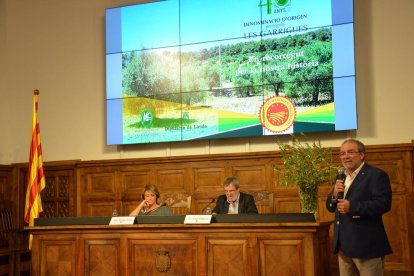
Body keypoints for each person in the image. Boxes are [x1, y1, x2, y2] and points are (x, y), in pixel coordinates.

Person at [326, 138, 392, 276]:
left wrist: (353, 207)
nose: (345, 156)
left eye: (350, 152)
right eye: (342, 153)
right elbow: (331, 207)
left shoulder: (376, 175)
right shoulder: (341, 177)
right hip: (343, 246)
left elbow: (383, 204)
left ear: (362, 155)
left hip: (366, 246)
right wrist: (334, 194)